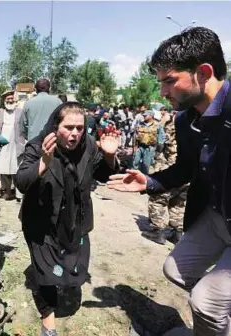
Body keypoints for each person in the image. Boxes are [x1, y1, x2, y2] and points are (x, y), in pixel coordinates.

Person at [108, 27, 231, 335]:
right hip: (215, 218)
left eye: (169, 80)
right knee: (176, 269)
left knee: (207, 301)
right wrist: (148, 182)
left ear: (204, 72)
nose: (162, 92)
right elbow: (186, 169)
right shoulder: (185, 119)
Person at [15, 102, 120, 336]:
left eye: (80, 128)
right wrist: (43, 162)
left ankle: (62, 285)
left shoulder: (89, 146)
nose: (75, 134)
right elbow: (21, 182)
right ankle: (48, 317)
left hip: (74, 219)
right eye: (69, 127)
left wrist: (110, 157)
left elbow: (103, 174)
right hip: (41, 221)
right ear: (55, 126)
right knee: (44, 271)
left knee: (73, 263)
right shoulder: (37, 145)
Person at [144, 114, 188, 245]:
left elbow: (162, 141)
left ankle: (158, 231)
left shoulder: (175, 123)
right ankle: (177, 233)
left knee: (157, 198)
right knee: (178, 202)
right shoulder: (195, 124)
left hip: (172, 169)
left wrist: (163, 121)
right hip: (188, 171)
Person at [0, 90, 25, 201]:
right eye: (7, 99)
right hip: (3, 146)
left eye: (11, 98)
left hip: (17, 145)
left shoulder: (20, 112)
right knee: (4, 169)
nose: (10, 100)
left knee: (17, 169)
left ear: (15, 100)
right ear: (4, 101)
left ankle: (19, 194)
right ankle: (7, 191)